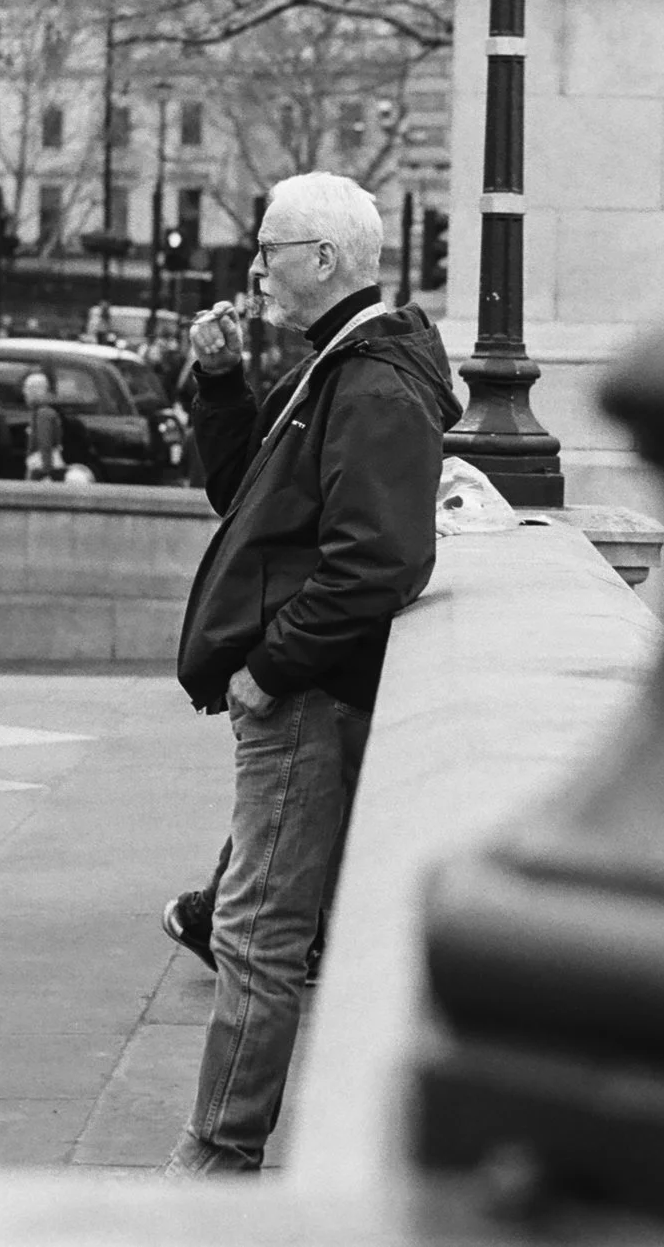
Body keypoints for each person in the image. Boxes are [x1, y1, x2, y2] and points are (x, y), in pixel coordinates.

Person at [161, 172, 460, 1179]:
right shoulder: (336, 365)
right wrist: (219, 382)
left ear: (324, 259)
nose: (256, 267)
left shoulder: (368, 382)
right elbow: (242, 493)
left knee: (256, 932)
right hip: (309, 690)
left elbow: (379, 559)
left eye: (270, 249)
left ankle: (218, 1155)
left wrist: (269, 666)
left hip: (307, 698)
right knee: (267, 924)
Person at [22, 370, 65, 481]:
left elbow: (45, 443)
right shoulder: (44, 412)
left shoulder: (43, 414)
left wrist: (46, 471)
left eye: (27, 388)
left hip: (41, 466)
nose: (24, 392)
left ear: (35, 391)